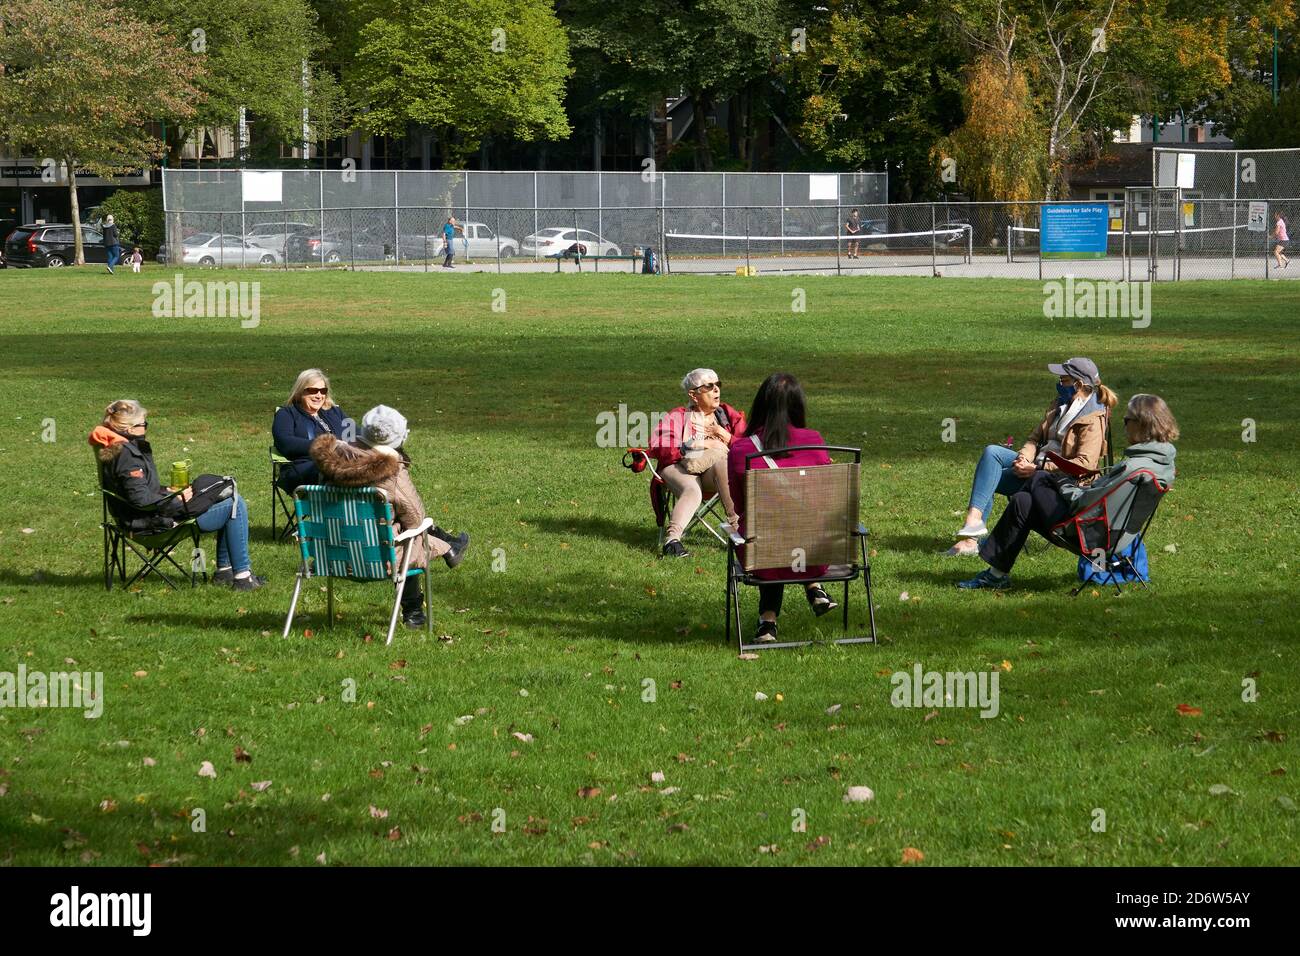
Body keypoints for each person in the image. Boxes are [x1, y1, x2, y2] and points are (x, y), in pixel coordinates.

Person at [957, 394, 1178, 590]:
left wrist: (1064, 485)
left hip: (1087, 534)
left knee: (1038, 477)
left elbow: (1085, 503)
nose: (1123, 425)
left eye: (1127, 420)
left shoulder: (1134, 469)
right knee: (1023, 501)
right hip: (1115, 535)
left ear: (1142, 425)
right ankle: (996, 575)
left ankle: (985, 548)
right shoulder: (1161, 465)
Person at [310, 405, 470, 628]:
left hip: (330, 554)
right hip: (377, 558)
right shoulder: (392, 473)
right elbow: (416, 520)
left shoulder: (330, 462)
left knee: (401, 534)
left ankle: (450, 547)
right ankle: (414, 611)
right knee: (409, 535)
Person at [946, 357, 1117, 556]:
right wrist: (1024, 458)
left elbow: (1084, 465)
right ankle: (973, 523)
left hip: (1059, 483)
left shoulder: (1093, 419)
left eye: (1063, 380)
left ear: (1078, 384)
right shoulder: (1060, 403)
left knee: (988, 479)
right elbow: (1035, 439)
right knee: (992, 453)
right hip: (1036, 467)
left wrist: (1037, 468)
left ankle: (970, 541)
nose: (1059, 384)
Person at [90, 399, 265, 590]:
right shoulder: (127, 456)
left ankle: (225, 572)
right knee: (235, 504)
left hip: (137, 518)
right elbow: (141, 500)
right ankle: (242, 577)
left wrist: (169, 492)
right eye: (143, 424)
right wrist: (177, 500)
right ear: (129, 429)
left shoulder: (113, 446)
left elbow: (138, 491)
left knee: (223, 497)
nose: (146, 427)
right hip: (150, 525)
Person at [727, 373, 841, 643]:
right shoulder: (814, 440)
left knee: (770, 533)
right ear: (798, 405)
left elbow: (739, 504)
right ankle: (814, 588)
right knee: (792, 528)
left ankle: (768, 622)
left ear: (760, 405)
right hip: (815, 553)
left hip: (762, 554)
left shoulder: (742, 449)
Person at [649, 368, 746, 559]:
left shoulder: (726, 414)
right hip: (679, 467)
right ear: (693, 395)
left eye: (718, 384)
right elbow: (660, 444)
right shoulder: (678, 415)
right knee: (693, 490)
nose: (716, 390)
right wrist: (695, 444)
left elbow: (749, 446)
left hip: (713, 472)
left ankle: (738, 530)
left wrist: (725, 437)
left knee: (722, 462)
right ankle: (672, 542)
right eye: (709, 386)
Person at [272, 369, 351, 493]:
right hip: (305, 467)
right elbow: (285, 443)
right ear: (300, 391)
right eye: (313, 391)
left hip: (346, 463)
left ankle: (379, 509)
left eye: (323, 391)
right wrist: (327, 446)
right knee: (342, 470)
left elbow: (355, 434)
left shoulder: (335, 412)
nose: (319, 395)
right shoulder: (286, 414)